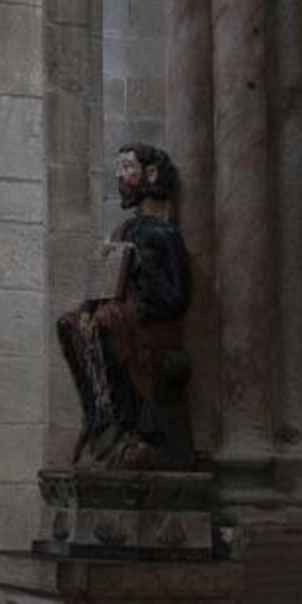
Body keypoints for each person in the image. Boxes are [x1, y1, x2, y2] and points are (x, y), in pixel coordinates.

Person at [56, 144, 193, 470]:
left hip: (149, 323)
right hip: (121, 315)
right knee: (69, 323)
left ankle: (127, 422)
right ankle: (98, 417)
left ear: (150, 173)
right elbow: (104, 284)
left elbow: (176, 295)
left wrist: (138, 272)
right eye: (119, 168)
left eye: (127, 167)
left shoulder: (164, 233)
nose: (120, 175)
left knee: (105, 322)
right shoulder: (122, 231)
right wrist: (87, 307)